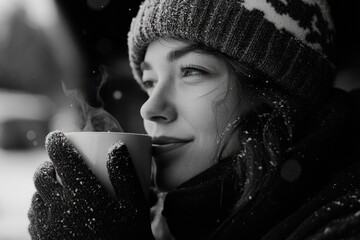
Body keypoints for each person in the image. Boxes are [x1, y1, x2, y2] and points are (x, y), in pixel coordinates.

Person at [28, 0, 360, 239]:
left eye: (191, 71)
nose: (149, 109)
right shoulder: (172, 222)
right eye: (149, 81)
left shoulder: (343, 223)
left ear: (275, 93)